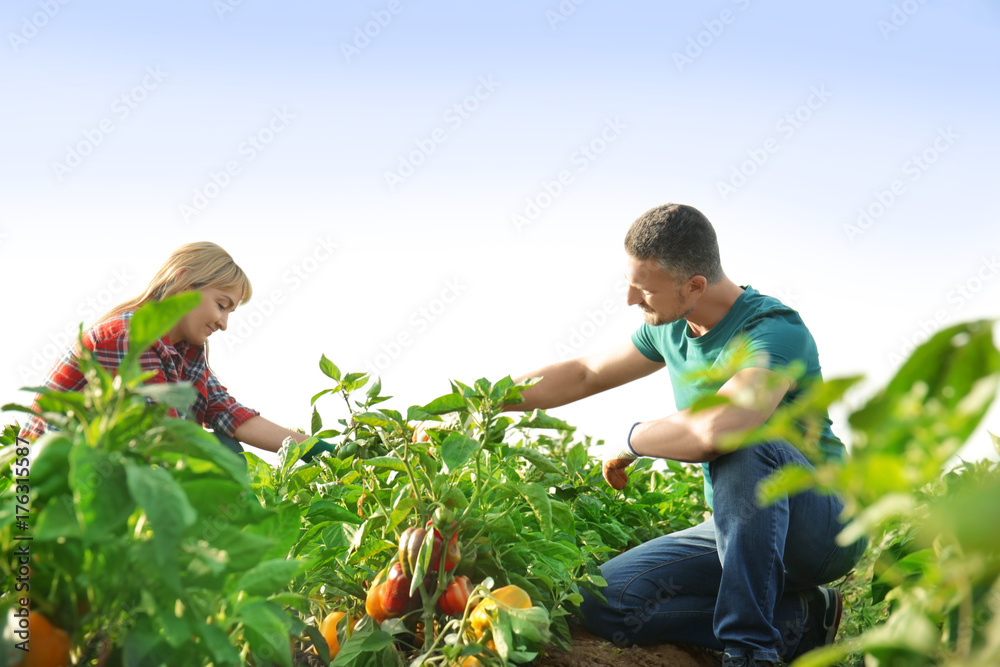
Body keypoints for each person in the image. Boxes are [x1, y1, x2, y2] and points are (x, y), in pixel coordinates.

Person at [503, 204, 865, 667]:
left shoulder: (773, 331)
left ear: (694, 285)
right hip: (741, 529)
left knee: (743, 442)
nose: (631, 299)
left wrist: (633, 439)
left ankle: (752, 651)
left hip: (824, 527)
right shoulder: (671, 326)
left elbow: (720, 428)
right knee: (604, 600)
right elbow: (584, 374)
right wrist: (483, 400)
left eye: (645, 288)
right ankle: (802, 620)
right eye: (631, 282)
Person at [20, 241, 333, 461]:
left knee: (225, 448)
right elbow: (162, 433)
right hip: (39, 484)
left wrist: (317, 450)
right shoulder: (129, 336)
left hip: (94, 479)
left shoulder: (186, 351)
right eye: (221, 305)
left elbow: (225, 413)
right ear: (184, 281)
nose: (223, 323)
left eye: (230, 312)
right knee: (222, 456)